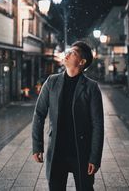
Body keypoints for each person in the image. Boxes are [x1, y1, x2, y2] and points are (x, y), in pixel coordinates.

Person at [32, 41, 104, 191]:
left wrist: (95, 158)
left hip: (81, 152)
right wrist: (37, 145)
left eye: (73, 53)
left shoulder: (91, 87)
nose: (67, 54)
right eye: (68, 51)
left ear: (82, 62)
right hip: (57, 151)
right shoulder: (52, 82)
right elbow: (39, 113)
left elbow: (98, 124)